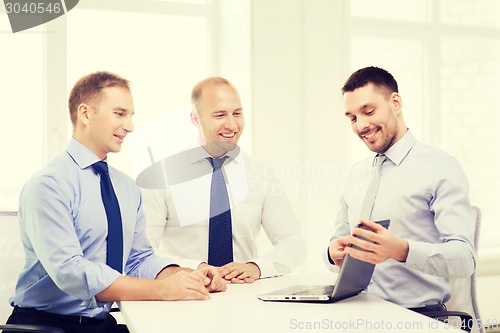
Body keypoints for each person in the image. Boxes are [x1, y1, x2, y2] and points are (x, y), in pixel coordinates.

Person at [7, 71, 226, 333]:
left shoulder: (126, 187)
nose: (130, 126)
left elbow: (138, 259)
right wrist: (162, 290)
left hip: (101, 323)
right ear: (86, 114)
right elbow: (70, 273)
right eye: (120, 114)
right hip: (47, 326)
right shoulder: (49, 185)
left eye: (131, 116)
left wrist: (187, 276)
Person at [324, 66, 476, 315]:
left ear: (395, 102)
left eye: (368, 111)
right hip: (358, 312)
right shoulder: (356, 174)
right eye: (352, 118)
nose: (361, 125)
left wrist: (402, 250)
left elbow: (465, 259)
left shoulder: (440, 167)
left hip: (417, 316)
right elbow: (337, 241)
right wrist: (332, 254)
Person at [137, 77, 306, 284]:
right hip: (184, 299)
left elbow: (293, 243)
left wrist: (256, 267)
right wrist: (194, 268)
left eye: (237, 113)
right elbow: (143, 251)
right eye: (220, 115)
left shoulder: (261, 175)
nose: (232, 125)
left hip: (245, 299)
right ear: (195, 118)